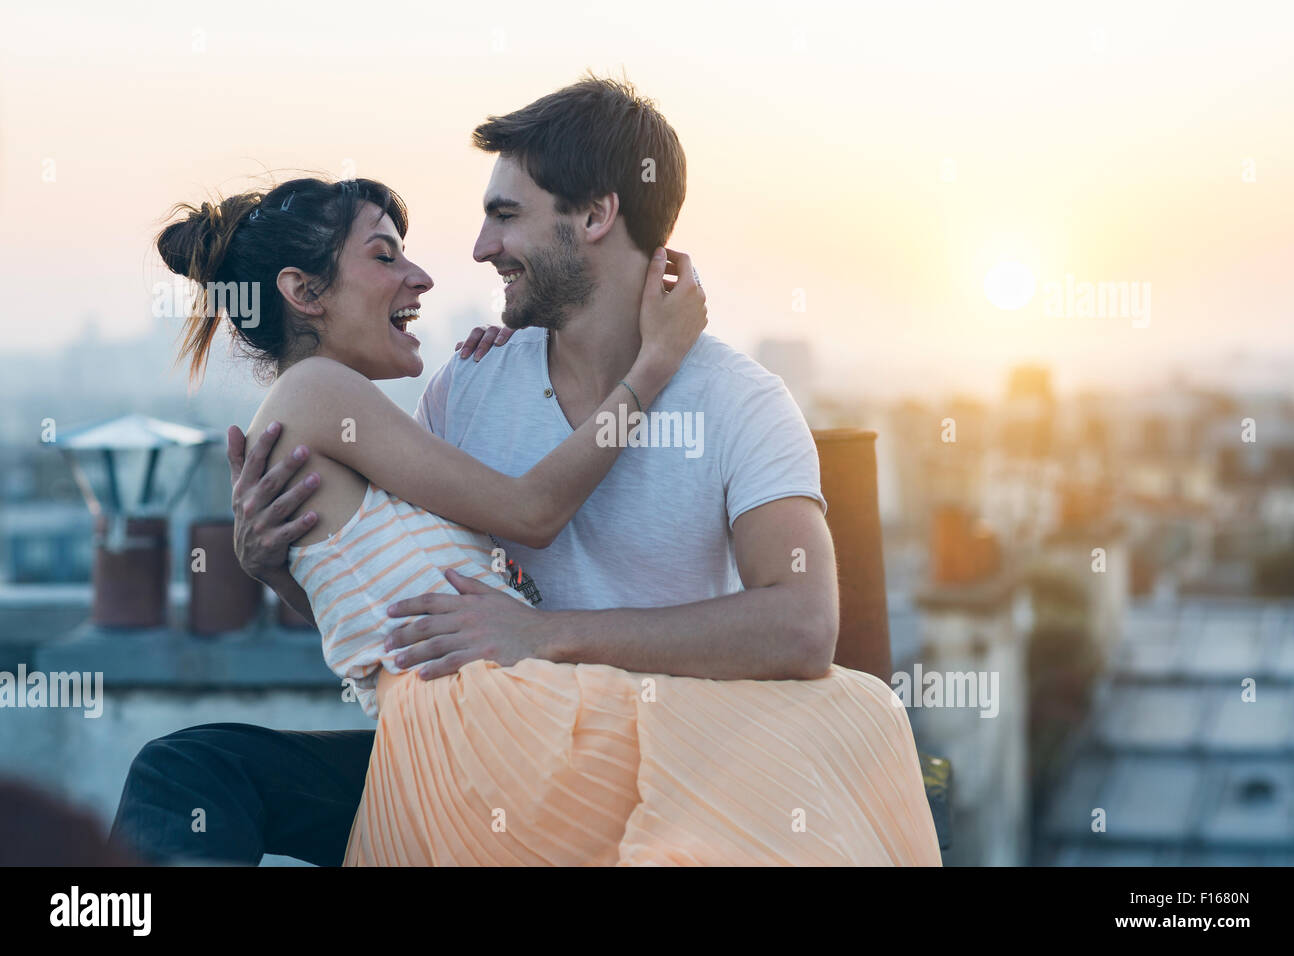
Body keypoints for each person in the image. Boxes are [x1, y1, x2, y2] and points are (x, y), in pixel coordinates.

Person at [112, 75, 941, 866]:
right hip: (479, 749)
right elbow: (391, 611)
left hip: (607, 746)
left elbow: (801, 628)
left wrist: (546, 636)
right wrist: (273, 564)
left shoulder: (740, 401)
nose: (474, 251)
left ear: (595, 216)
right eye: (388, 254)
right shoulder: (466, 388)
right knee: (191, 769)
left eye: (505, 216)